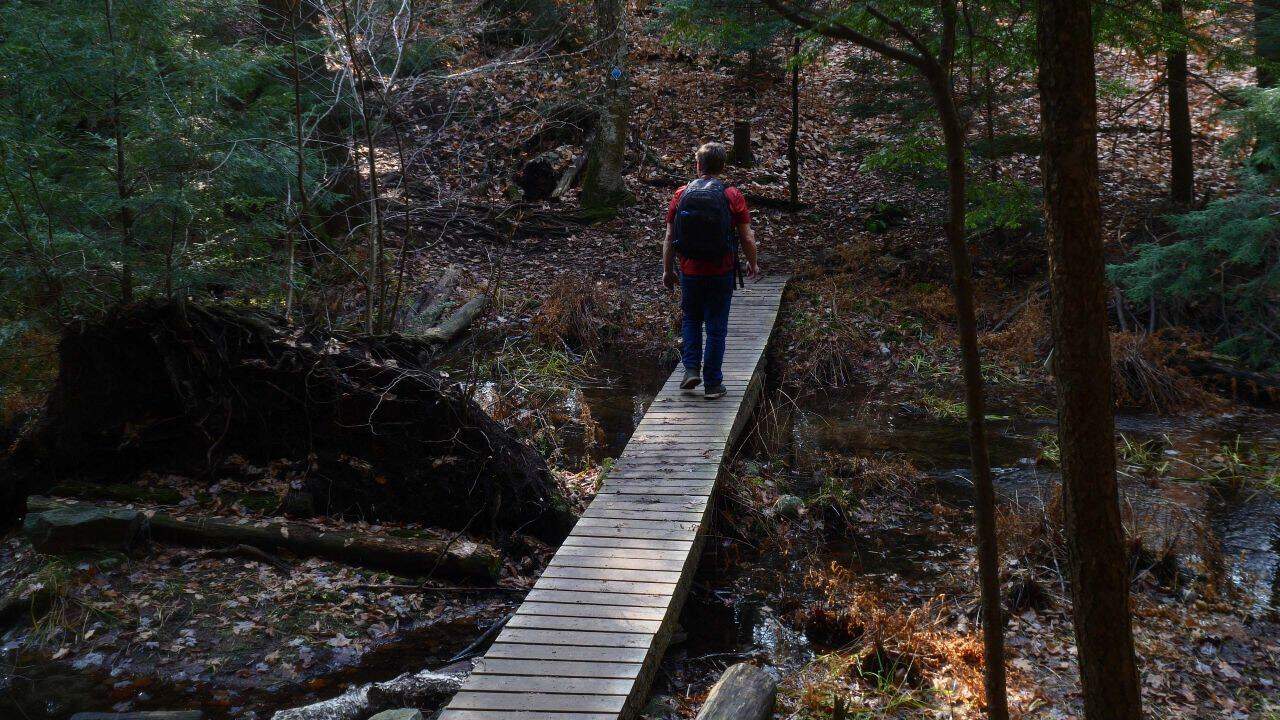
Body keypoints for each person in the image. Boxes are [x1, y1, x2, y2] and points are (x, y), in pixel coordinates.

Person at [662, 142, 760, 399]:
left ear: (698, 165)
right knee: (716, 327)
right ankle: (713, 384)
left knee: (692, 319)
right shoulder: (732, 195)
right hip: (721, 271)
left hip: (689, 271)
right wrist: (753, 262)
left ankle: (691, 369)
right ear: (722, 167)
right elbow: (747, 237)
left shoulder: (681, 193)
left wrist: (667, 270)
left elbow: (670, 235)